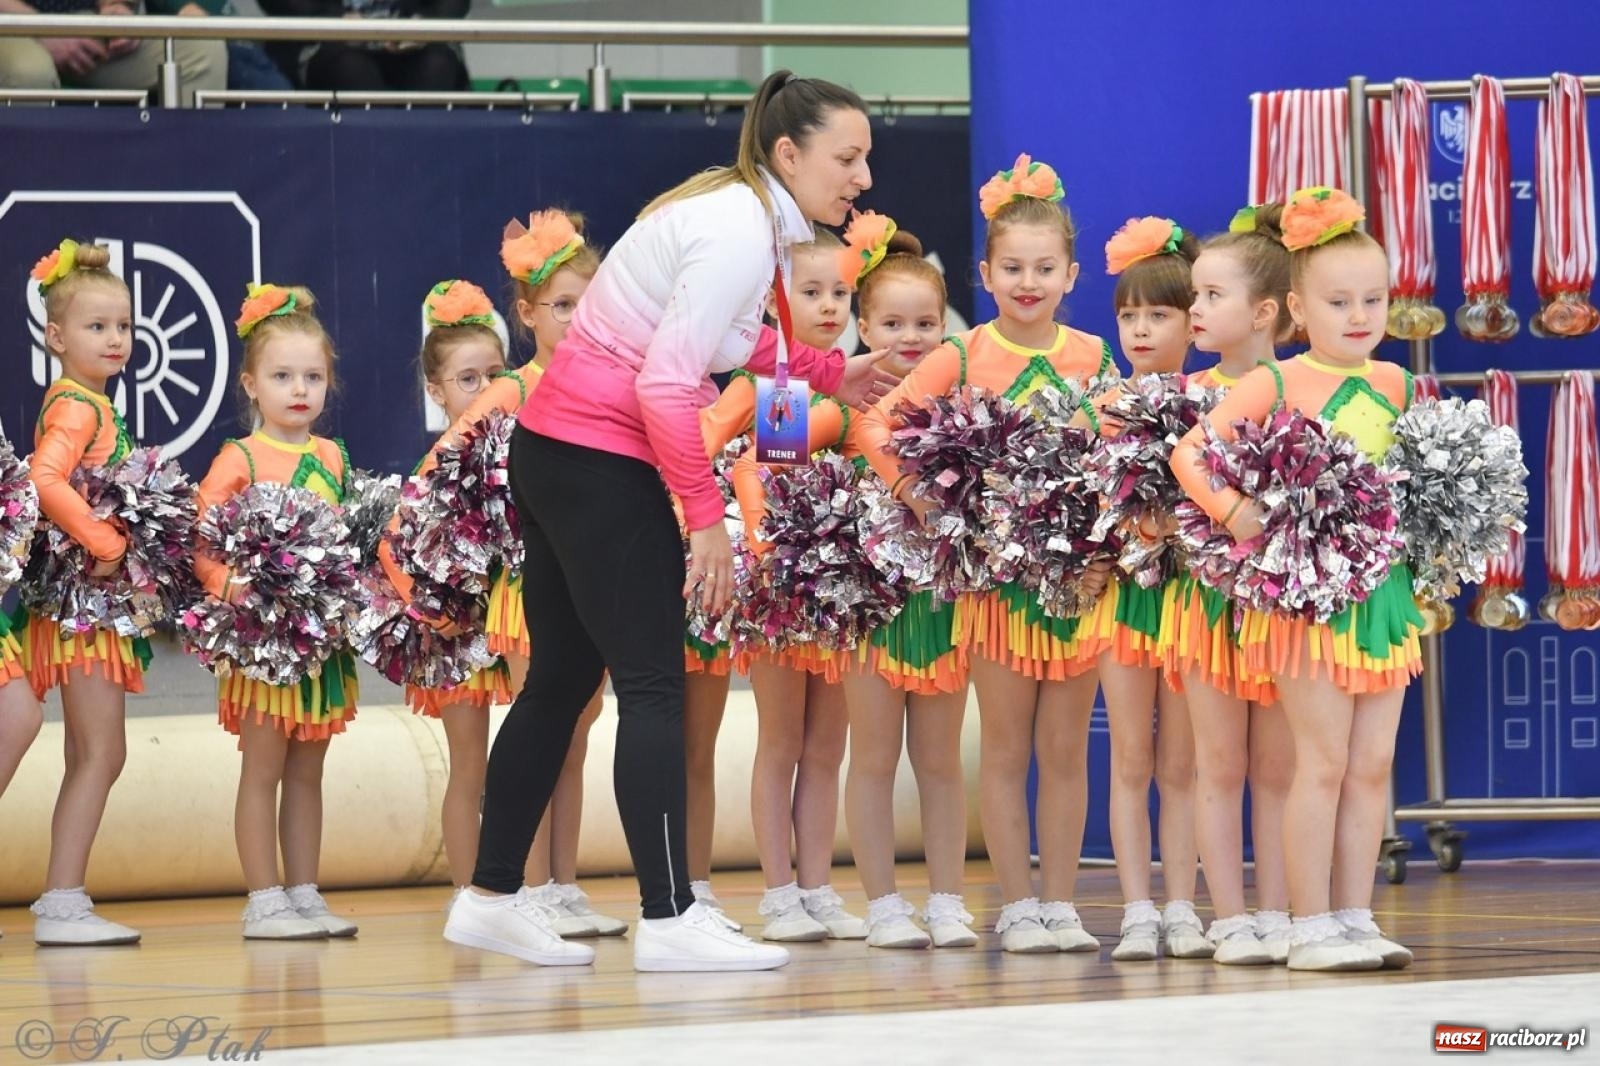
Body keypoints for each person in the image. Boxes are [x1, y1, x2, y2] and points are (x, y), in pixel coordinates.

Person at [443, 69, 895, 973]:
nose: (863, 178)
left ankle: (489, 898)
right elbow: (662, 384)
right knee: (653, 686)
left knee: (560, 681)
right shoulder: (737, 229)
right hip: (599, 461)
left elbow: (726, 339)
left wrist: (825, 370)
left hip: (554, 451)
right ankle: (669, 915)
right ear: (789, 154)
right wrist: (705, 519)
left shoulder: (739, 216)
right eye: (848, 159)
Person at [860, 154, 1116, 955]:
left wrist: (1105, 545)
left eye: (1044, 268)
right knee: (1004, 749)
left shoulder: (1095, 356)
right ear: (985, 274)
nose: (1028, 282)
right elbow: (874, 425)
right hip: (996, 589)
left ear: (1071, 275)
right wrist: (920, 495)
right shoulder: (963, 354)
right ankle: (1016, 905)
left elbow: (1117, 458)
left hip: (1074, 585)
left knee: (1065, 752)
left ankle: (1061, 903)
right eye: (1012, 268)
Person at [1172, 186, 1421, 973]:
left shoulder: (1396, 383)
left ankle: (1354, 917)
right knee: (1322, 762)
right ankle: (1307, 924)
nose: (1360, 315)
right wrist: (1235, 512)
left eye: (1374, 299)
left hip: (1382, 597)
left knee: (1372, 766)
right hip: (1305, 599)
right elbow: (1189, 453)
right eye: (1339, 301)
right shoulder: (1275, 383)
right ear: (1297, 310)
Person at [192, 283, 361, 941]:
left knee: (309, 773)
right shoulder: (238, 458)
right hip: (262, 646)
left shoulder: (333, 456)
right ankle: (263, 899)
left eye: (313, 377)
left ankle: (304, 891)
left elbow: (348, 543)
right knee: (263, 770)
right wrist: (232, 587)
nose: (299, 389)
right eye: (282, 376)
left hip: (320, 648)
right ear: (250, 384)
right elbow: (200, 543)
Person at [831, 211, 979, 950]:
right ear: (862, 326)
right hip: (868, 601)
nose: (910, 338)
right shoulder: (832, 400)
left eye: (926, 323)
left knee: (941, 760)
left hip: (942, 597)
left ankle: (947, 900)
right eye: (892, 323)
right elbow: (773, 472)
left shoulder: (962, 403)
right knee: (874, 754)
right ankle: (884, 905)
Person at [1073, 216, 1210, 962]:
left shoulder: (1216, 402)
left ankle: (1183, 906)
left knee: (1181, 764)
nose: (1141, 329)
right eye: (1129, 315)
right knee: (1130, 758)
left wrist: (1180, 524)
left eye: (1159, 313)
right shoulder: (1099, 406)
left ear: (1195, 320)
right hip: (1122, 602)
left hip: (1189, 602)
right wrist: (1088, 558)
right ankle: (1135, 908)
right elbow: (1073, 510)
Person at [1174, 207, 1296, 966]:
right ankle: (1228, 917)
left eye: (1212, 295)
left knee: (1279, 770)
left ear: (1264, 312)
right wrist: (1229, 514)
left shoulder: (1298, 387)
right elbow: (1161, 490)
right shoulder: (1182, 394)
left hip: (1283, 606)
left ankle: (1279, 911)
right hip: (1205, 603)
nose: (1195, 308)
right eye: (1195, 294)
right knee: (1217, 765)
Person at [21, 240, 145, 946]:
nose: (114, 338)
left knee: (89, 754)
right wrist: (107, 543)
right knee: (102, 753)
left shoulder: (87, 401)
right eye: (97, 327)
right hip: (83, 606)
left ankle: (62, 897)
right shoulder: (77, 407)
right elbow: (43, 479)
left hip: (84, 603)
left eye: (123, 325)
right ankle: (63, 900)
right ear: (56, 336)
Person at [0, 0, 225, 105]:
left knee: (201, 49)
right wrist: (44, 30)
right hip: (9, 23)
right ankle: (33, 183)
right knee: (29, 72)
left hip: (86, 19)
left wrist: (117, 7)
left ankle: (187, 180)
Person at [264, 0, 467, 92]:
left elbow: (453, 4)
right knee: (350, 69)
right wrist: (336, 19)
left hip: (412, 41)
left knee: (437, 65)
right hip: (329, 42)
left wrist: (423, 24)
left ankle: (423, 160)